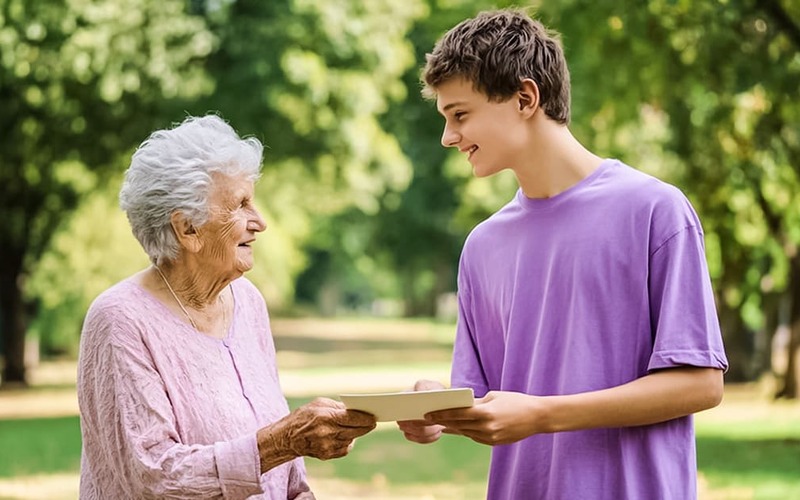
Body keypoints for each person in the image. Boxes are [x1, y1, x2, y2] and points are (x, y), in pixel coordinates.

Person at [397, 8, 728, 500]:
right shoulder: (482, 247)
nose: (448, 137)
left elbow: (700, 384)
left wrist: (542, 415)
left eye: (459, 115)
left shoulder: (655, 211)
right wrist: (436, 411)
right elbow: (488, 399)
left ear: (525, 98)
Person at [77, 114, 376, 499]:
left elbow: (285, 474)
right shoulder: (120, 319)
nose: (260, 221)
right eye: (241, 204)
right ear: (187, 229)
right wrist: (284, 440)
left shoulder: (247, 301)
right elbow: (155, 477)